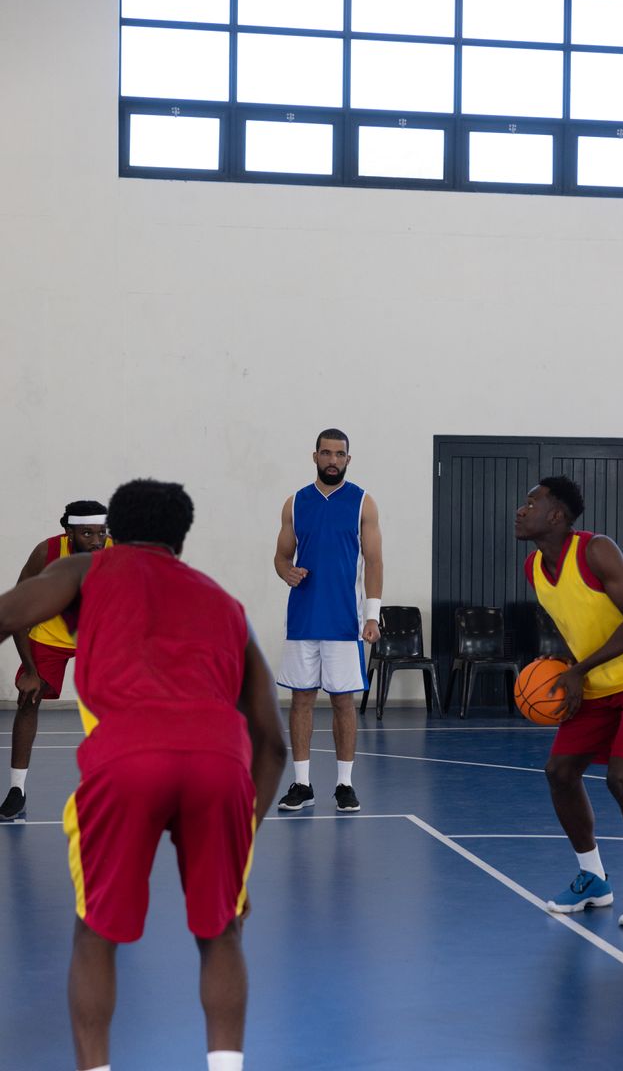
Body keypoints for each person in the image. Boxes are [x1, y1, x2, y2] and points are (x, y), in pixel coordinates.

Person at [0, 478, 286, 1071]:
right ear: (180, 538)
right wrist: (245, 838)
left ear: (113, 533)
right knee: (222, 930)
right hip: (220, 761)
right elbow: (273, 744)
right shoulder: (223, 601)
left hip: (127, 755)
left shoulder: (86, 570)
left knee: (94, 932)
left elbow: (7, 614)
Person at [515, 475, 623, 928]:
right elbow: (583, 622)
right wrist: (566, 666)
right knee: (560, 771)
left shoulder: (596, 550)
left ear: (556, 515)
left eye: (531, 502)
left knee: (621, 780)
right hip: (596, 680)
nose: (520, 509)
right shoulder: (535, 568)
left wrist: (577, 671)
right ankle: (593, 879)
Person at [274, 428, 383, 812]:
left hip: (344, 621)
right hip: (303, 618)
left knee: (343, 702)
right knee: (301, 699)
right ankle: (302, 784)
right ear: (315, 456)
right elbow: (282, 555)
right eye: (326, 453)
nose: (333, 459)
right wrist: (285, 570)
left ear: (348, 459)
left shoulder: (362, 503)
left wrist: (372, 615)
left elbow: (374, 562)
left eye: (340, 454)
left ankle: (344, 784)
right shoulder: (295, 503)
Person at [0, 500, 111, 821]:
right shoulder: (46, 554)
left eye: (101, 532)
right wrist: (31, 671)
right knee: (28, 700)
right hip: (50, 634)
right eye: (87, 533)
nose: (96, 540)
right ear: (68, 532)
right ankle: (17, 790)